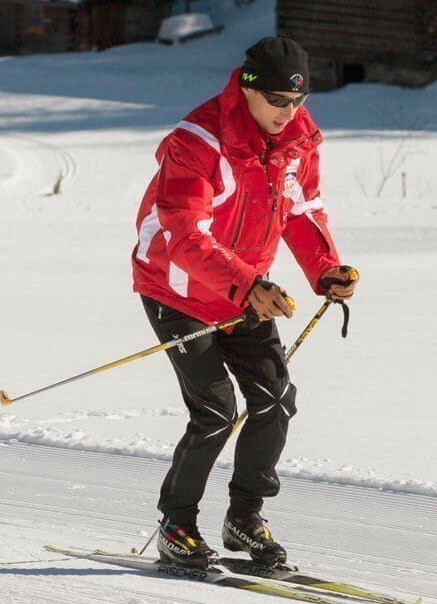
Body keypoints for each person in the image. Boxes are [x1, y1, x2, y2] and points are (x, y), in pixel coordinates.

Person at [131, 36, 360, 571]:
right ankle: (177, 525)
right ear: (248, 87)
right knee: (214, 412)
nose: (289, 112)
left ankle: (244, 519)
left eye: (298, 101)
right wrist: (247, 286)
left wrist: (325, 269)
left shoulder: (298, 141)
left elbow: (302, 211)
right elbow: (185, 236)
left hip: (244, 289)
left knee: (276, 400)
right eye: (278, 100)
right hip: (177, 289)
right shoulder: (196, 141)